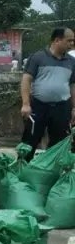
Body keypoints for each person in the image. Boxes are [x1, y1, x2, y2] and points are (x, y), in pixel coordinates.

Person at [21, 27, 75, 160]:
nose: (72, 44)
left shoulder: (71, 62)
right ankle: (20, 171)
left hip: (62, 107)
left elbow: (73, 85)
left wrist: (74, 108)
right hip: (38, 106)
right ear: (57, 40)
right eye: (69, 41)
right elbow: (26, 80)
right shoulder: (38, 57)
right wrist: (26, 104)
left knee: (59, 143)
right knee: (29, 141)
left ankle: (50, 173)